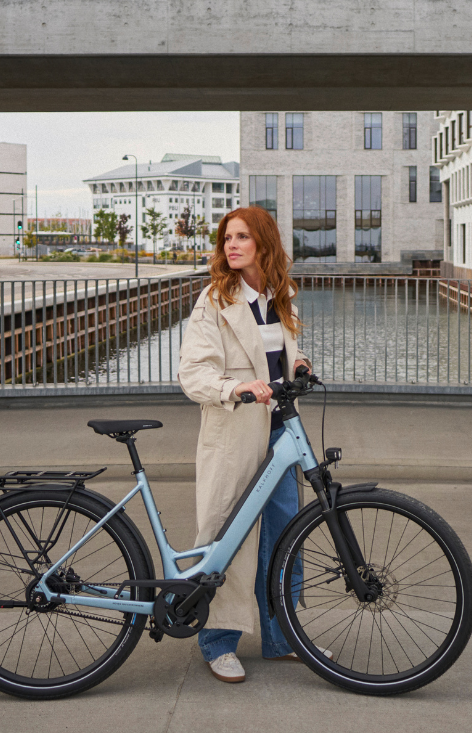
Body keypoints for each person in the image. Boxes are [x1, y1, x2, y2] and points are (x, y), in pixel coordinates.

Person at [177, 206, 313, 684]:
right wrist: (235, 387)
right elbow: (192, 372)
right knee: (227, 539)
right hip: (235, 434)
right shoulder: (215, 299)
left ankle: (282, 638)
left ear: (263, 243)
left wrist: (299, 365)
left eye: (242, 237)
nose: (231, 245)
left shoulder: (281, 296)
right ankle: (217, 643)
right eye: (227, 238)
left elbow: (278, 354)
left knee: (284, 537)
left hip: (279, 434)